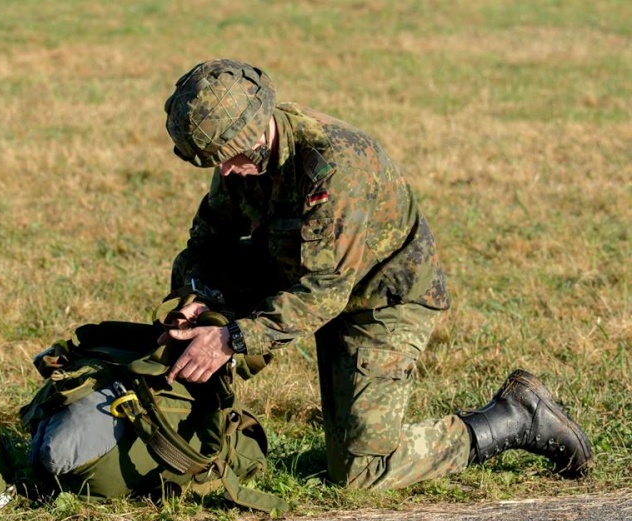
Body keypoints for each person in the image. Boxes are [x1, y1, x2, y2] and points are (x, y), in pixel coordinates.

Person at [158, 58, 593, 489]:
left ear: (258, 127)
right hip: (302, 273)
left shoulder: (335, 164)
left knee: (360, 472)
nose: (226, 172)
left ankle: (514, 417)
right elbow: (207, 241)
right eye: (215, 161)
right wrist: (199, 299)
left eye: (231, 158)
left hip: (381, 298)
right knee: (196, 303)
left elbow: (325, 291)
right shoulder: (239, 156)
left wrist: (233, 338)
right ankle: (194, 438)